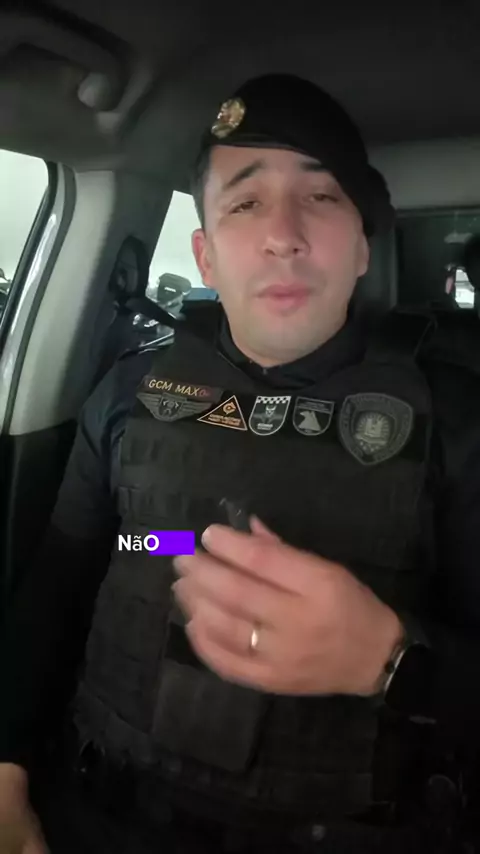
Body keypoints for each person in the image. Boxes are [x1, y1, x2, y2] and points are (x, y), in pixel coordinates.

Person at [1, 73, 480, 854]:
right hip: (94, 816)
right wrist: (6, 767)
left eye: (320, 197)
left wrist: (393, 661)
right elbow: (67, 574)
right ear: (206, 255)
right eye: (246, 202)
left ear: (363, 246)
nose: (283, 234)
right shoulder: (130, 391)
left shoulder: (455, 423)